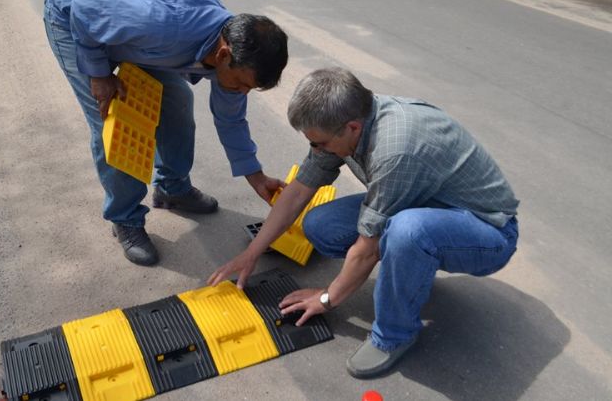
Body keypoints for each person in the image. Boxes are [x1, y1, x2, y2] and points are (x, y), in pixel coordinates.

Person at [209, 67, 519, 378]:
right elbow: (299, 191)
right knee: (321, 225)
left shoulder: (394, 149)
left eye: (320, 144)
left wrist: (327, 298)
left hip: (486, 231)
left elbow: (367, 249)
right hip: (427, 202)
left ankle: (393, 336)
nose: (316, 150)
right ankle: (412, 265)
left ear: (352, 128)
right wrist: (252, 252)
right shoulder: (345, 122)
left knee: (406, 233)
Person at [44, 0, 288, 266]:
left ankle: (172, 188)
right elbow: (84, 11)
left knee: (177, 102)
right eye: (242, 83)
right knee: (115, 121)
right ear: (223, 56)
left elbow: (231, 120)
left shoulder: (230, 53)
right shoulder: (166, 24)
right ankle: (125, 220)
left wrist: (257, 176)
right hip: (73, 18)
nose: (242, 92)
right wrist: (99, 73)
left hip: (131, 36)